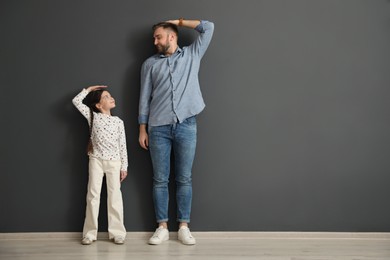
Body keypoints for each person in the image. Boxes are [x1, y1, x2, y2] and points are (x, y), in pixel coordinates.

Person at [138, 18, 214, 245]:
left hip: (187, 125)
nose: (154, 41)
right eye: (154, 38)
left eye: (158, 36)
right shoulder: (149, 64)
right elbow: (144, 98)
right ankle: (161, 226)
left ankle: (183, 226)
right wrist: (142, 129)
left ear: (172, 36)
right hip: (158, 127)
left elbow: (208, 27)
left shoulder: (192, 54)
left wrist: (178, 21)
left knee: (184, 178)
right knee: (160, 179)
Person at [72, 85, 128, 245]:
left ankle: (117, 233)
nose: (111, 98)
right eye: (106, 97)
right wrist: (88, 90)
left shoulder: (118, 122)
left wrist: (124, 166)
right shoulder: (92, 116)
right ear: (98, 105)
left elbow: (122, 145)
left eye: (111, 96)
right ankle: (90, 233)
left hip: (114, 162)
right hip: (96, 160)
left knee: (115, 197)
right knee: (93, 196)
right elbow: (76, 101)